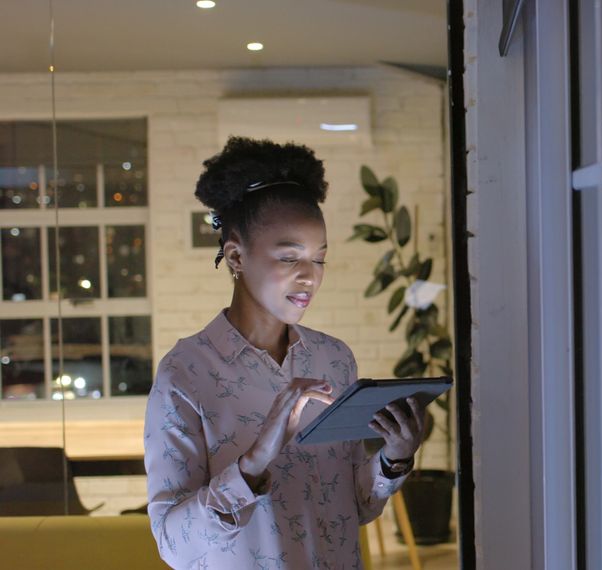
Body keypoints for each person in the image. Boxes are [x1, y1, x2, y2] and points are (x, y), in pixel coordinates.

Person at [144, 137, 426, 569]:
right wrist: (253, 463)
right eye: (289, 257)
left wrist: (394, 458)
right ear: (236, 255)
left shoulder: (334, 358)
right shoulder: (186, 373)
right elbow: (174, 546)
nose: (309, 277)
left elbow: (354, 508)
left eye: (319, 259)